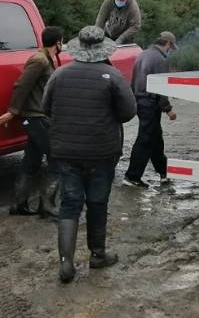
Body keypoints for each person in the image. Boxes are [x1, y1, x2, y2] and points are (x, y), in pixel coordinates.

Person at [43, 25, 136, 283]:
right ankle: (97, 254)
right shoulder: (112, 76)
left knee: (70, 203)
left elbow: (45, 108)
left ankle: (66, 264)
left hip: (65, 151)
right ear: (102, 49)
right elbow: (129, 112)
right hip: (101, 152)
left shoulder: (59, 75)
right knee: (97, 202)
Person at [0, 26, 64, 218]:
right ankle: (47, 206)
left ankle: (19, 204)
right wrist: (11, 112)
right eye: (61, 41)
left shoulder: (46, 59)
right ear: (57, 42)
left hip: (37, 118)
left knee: (31, 161)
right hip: (36, 117)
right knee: (57, 158)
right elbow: (21, 85)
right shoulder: (39, 61)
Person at [123, 31, 178, 188]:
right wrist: (168, 109)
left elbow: (133, 80)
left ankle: (163, 173)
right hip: (149, 102)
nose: (170, 50)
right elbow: (161, 87)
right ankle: (132, 176)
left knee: (155, 138)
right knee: (145, 139)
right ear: (167, 44)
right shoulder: (160, 59)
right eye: (171, 47)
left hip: (140, 101)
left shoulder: (143, 54)